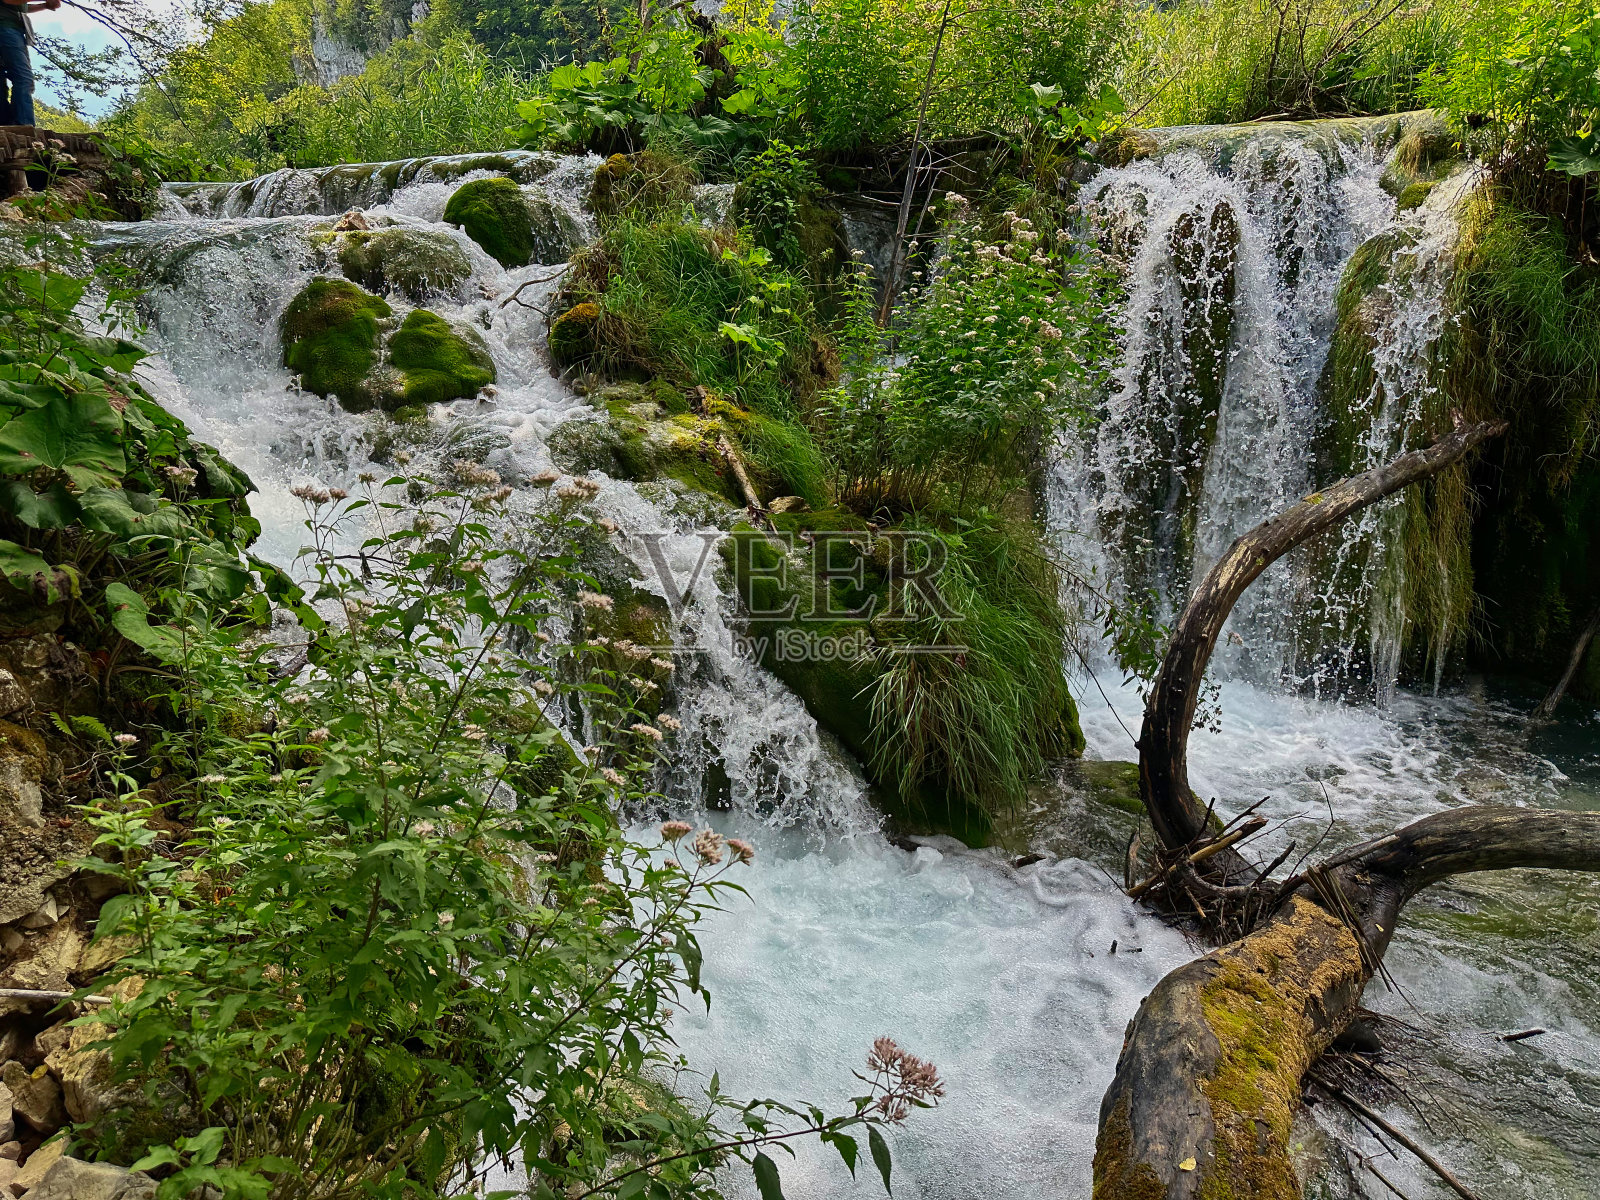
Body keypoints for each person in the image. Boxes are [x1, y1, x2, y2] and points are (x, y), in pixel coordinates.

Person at [0, 0, 60, 128]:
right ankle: (23, 125)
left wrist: (44, 5)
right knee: (23, 78)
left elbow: (21, 7)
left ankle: (5, 123)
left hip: (9, 29)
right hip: (6, 30)